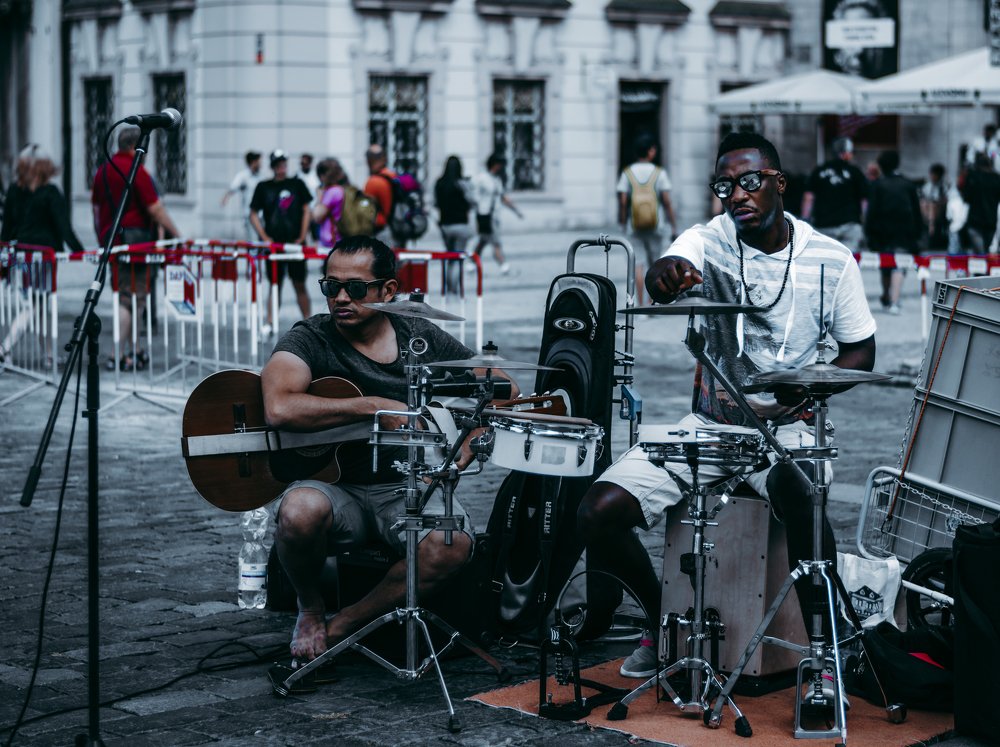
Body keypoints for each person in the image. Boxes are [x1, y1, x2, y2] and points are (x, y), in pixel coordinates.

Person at [577, 133, 877, 694]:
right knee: (597, 509)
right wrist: (665, 276)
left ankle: (826, 652)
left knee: (800, 493)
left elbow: (862, 351)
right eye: (724, 186)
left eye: (749, 181)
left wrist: (810, 394)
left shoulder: (831, 261)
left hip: (787, 429)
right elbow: (667, 268)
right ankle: (663, 625)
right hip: (709, 426)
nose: (736, 194)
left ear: (778, 184)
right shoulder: (708, 239)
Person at [260, 234, 517, 663]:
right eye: (331, 286)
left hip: (406, 489)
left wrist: (473, 438)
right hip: (334, 489)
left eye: (356, 289)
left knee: (450, 545)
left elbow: (505, 387)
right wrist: (374, 406)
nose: (341, 297)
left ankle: (343, 625)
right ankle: (310, 609)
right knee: (296, 512)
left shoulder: (419, 335)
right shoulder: (311, 337)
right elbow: (279, 407)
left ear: (388, 291)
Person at [92, 125, 182, 371]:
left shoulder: (102, 171)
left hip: (114, 242)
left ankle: (134, 349)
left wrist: (103, 240)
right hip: (137, 243)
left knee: (128, 296)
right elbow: (155, 209)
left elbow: (97, 211)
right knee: (132, 298)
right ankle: (118, 353)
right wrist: (176, 233)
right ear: (135, 146)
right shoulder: (136, 171)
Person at [250, 149, 313, 330]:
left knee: (299, 282)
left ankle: (308, 322)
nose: (281, 168)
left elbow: (306, 209)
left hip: (295, 244)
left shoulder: (297, 184)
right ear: (272, 166)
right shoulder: (264, 187)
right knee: (275, 283)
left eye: (283, 164)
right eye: (278, 165)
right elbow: (253, 214)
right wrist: (264, 237)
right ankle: (270, 321)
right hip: (275, 245)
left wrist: (302, 236)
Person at [865, 150, 923, 314]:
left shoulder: (877, 185)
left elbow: (871, 212)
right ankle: (894, 301)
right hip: (904, 232)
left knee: (885, 265)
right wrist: (918, 232)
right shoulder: (908, 184)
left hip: (882, 232)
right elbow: (917, 211)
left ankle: (886, 294)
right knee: (900, 265)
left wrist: (870, 233)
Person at [616, 133, 677, 270]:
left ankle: (638, 292)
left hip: (635, 224)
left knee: (638, 262)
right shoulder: (659, 173)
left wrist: (623, 223)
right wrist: (673, 224)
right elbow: (667, 201)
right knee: (656, 261)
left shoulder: (627, 173)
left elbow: (623, 201)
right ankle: (653, 292)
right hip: (656, 225)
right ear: (650, 151)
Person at [801, 137, 868, 251]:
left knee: (826, 263)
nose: (852, 155)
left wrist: (805, 220)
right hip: (849, 227)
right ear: (844, 153)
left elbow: (809, 198)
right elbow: (864, 201)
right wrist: (864, 222)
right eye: (851, 152)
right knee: (848, 262)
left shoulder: (819, 171)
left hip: (824, 227)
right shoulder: (855, 172)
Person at [470, 152, 522, 275]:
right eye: (499, 165)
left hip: (494, 215)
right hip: (485, 215)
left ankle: (471, 263)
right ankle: (503, 265)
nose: (501, 168)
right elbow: (473, 196)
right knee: (495, 241)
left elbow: (502, 197)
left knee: (483, 241)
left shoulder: (497, 180)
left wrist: (516, 210)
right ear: (493, 164)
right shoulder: (481, 178)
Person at [434, 155, 473, 293]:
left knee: (449, 256)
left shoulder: (439, 183)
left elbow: (436, 204)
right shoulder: (461, 184)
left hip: (445, 226)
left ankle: (447, 287)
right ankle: (453, 289)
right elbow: (472, 203)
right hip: (461, 225)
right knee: (457, 258)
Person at [959, 153, 1000, 254]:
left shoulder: (972, 176)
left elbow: (966, 197)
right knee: (985, 252)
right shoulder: (997, 178)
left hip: (975, 220)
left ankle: (980, 269)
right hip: (991, 220)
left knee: (980, 255)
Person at [220, 150, 263, 241]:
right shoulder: (243, 176)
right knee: (254, 242)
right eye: (258, 161)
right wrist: (225, 198)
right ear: (253, 162)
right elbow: (232, 188)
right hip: (250, 216)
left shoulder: (260, 177)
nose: (260, 164)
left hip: (261, 215)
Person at [1, 144, 37, 243]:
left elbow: (7, 226)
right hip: (35, 247)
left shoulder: (14, 189)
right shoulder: (47, 191)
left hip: (19, 245)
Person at [362, 144, 397, 245]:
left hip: (381, 230)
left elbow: (366, 210)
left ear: (369, 160)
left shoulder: (373, 182)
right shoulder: (393, 176)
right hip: (396, 228)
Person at [311, 158, 349, 249]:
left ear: (323, 176)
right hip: (337, 241)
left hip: (332, 243)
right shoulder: (342, 188)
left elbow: (317, 216)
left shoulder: (333, 192)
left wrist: (319, 197)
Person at [919, 163, 950, 251]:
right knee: (926, 204)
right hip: (927, 211)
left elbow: (946, 200)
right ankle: (930, 225)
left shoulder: (944, 187)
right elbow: (923, 198)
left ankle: (931, 226)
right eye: (932, 174)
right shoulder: (927, 186)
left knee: (933, 206)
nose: (932, 176)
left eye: (935, 174)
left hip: (940, 212)